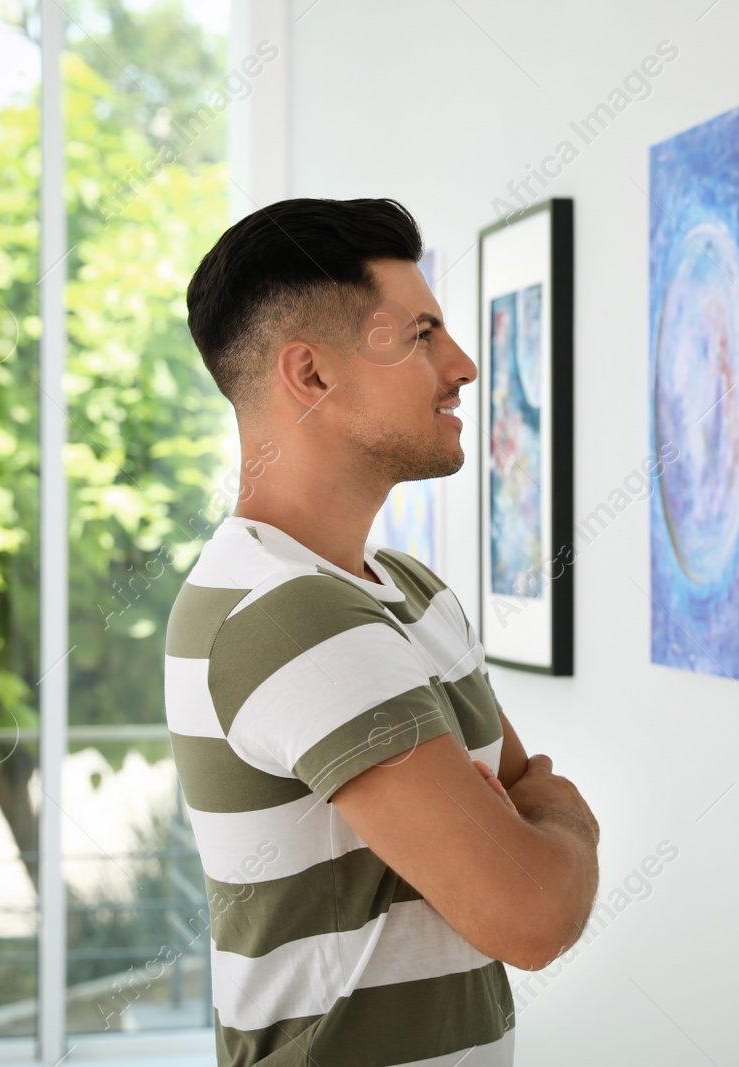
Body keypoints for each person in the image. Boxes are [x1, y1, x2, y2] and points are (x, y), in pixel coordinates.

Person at [165, 197, 600, 1066]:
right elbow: (532, 914)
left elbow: (521, 803)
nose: (465, 364)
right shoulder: (290, 614)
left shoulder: (407, 590)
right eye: (421, 335)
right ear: (313, 375)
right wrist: (560, 816)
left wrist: (531, 814)